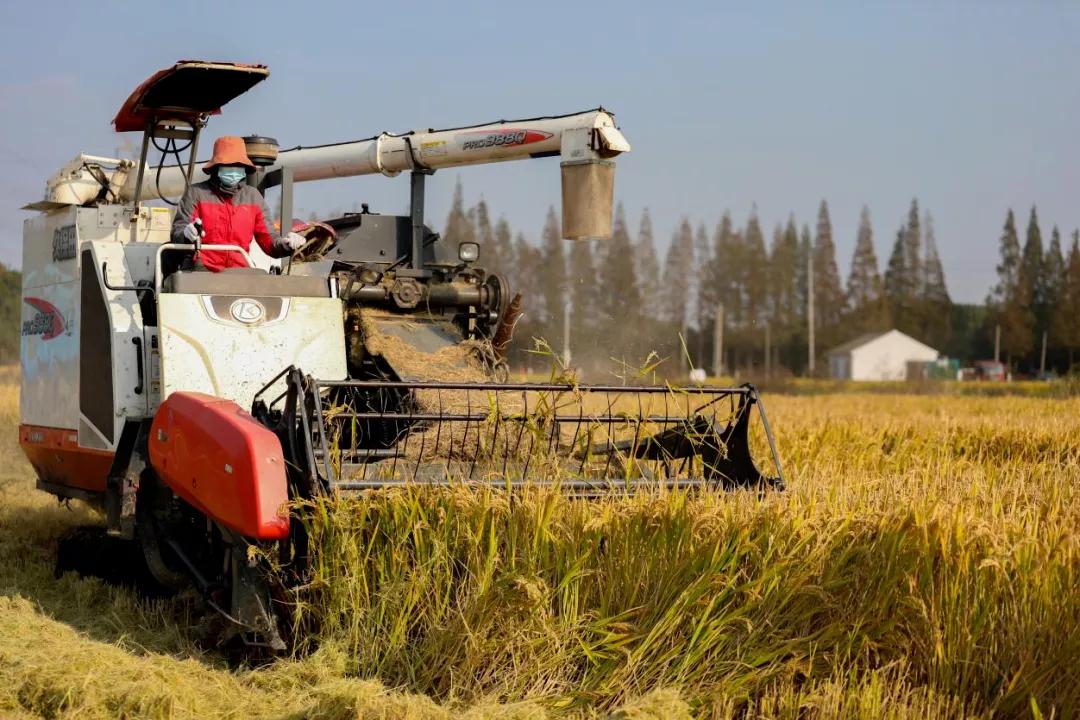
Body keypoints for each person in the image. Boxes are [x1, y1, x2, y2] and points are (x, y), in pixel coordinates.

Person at [170, 136, 305, 271]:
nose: (233, 170)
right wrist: (186, 235)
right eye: (228, 166)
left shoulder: (253, 197)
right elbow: (178, 231)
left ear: (244, 168)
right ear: (216, 167)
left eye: (238, 166)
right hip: (201, 270)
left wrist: (285, 244)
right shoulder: (196, 193)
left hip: (240, 272)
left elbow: (269, 240)